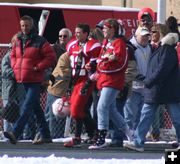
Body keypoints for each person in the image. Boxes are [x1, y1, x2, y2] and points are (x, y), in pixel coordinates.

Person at [124, 24, 180, 152]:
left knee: (177, 118)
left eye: (154, 31)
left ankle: (138, 142)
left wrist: (148, 81)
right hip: (156, 90)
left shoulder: (167, 49)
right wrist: (148, 81)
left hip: (166, 89)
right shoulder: (159, 48)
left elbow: (162, 69)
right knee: (145, 116)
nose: (151, 34)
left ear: (161, 33)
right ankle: (138, 142)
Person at [3, 15, 56, 144]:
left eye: (27, 25)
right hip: (23, 79)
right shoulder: (18, 40)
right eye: (22, 25)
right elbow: (13, 56)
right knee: (36, 108)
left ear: (31, 25)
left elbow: (51, 57)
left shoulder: (40, 41)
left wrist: (38, 67)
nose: (24, 28)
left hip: (35, 80)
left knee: (26, 107)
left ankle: (15, 132)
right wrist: (16, 68)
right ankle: (46, 135)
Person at [89, 18, 133, 149]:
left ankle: (101, 137)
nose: (103, 31)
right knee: (112, 110)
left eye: (105, 28)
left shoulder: (119, 43)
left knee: (101, 107)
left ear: (113, 29)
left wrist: (103, 64)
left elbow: (120, 62)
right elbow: (102, 60)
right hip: (104, 80)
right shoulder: (106, 42)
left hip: (113, 81)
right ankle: (129, 132)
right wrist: (97, 67)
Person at [63, 23, 101, 147]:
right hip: (76, 80)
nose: (76, 34)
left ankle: (77, 137)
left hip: (86, 79)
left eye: (79, 32)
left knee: (76, 110)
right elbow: (71, 63)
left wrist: (91, 68)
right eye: (76, 32)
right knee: (79, 110)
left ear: (86, 34)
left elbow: (97, 63)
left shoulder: (92, 45)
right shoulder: (72, 45)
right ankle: (94, 133)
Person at [44, 28, 72, 139]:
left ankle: (58, 137)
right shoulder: (53, 49)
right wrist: (49, 77)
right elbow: (48, 65)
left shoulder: (72, 50)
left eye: (65, 36)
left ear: (69, 38)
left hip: (67, 88)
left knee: (62, 113)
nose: (62, 38)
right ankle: (49, 136)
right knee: (51, 113)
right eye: (60, 36)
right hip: (56, 86)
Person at [123, 27, 152, 131]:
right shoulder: (131, 47)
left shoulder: (148, 47)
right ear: (136, 35)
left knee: (140, 115)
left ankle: (135, 137)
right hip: (133, 86)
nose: (145, 38)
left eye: (147, 36)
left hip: (144, 87)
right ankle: (128, 135)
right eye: (143, 36)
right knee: (129, 114)